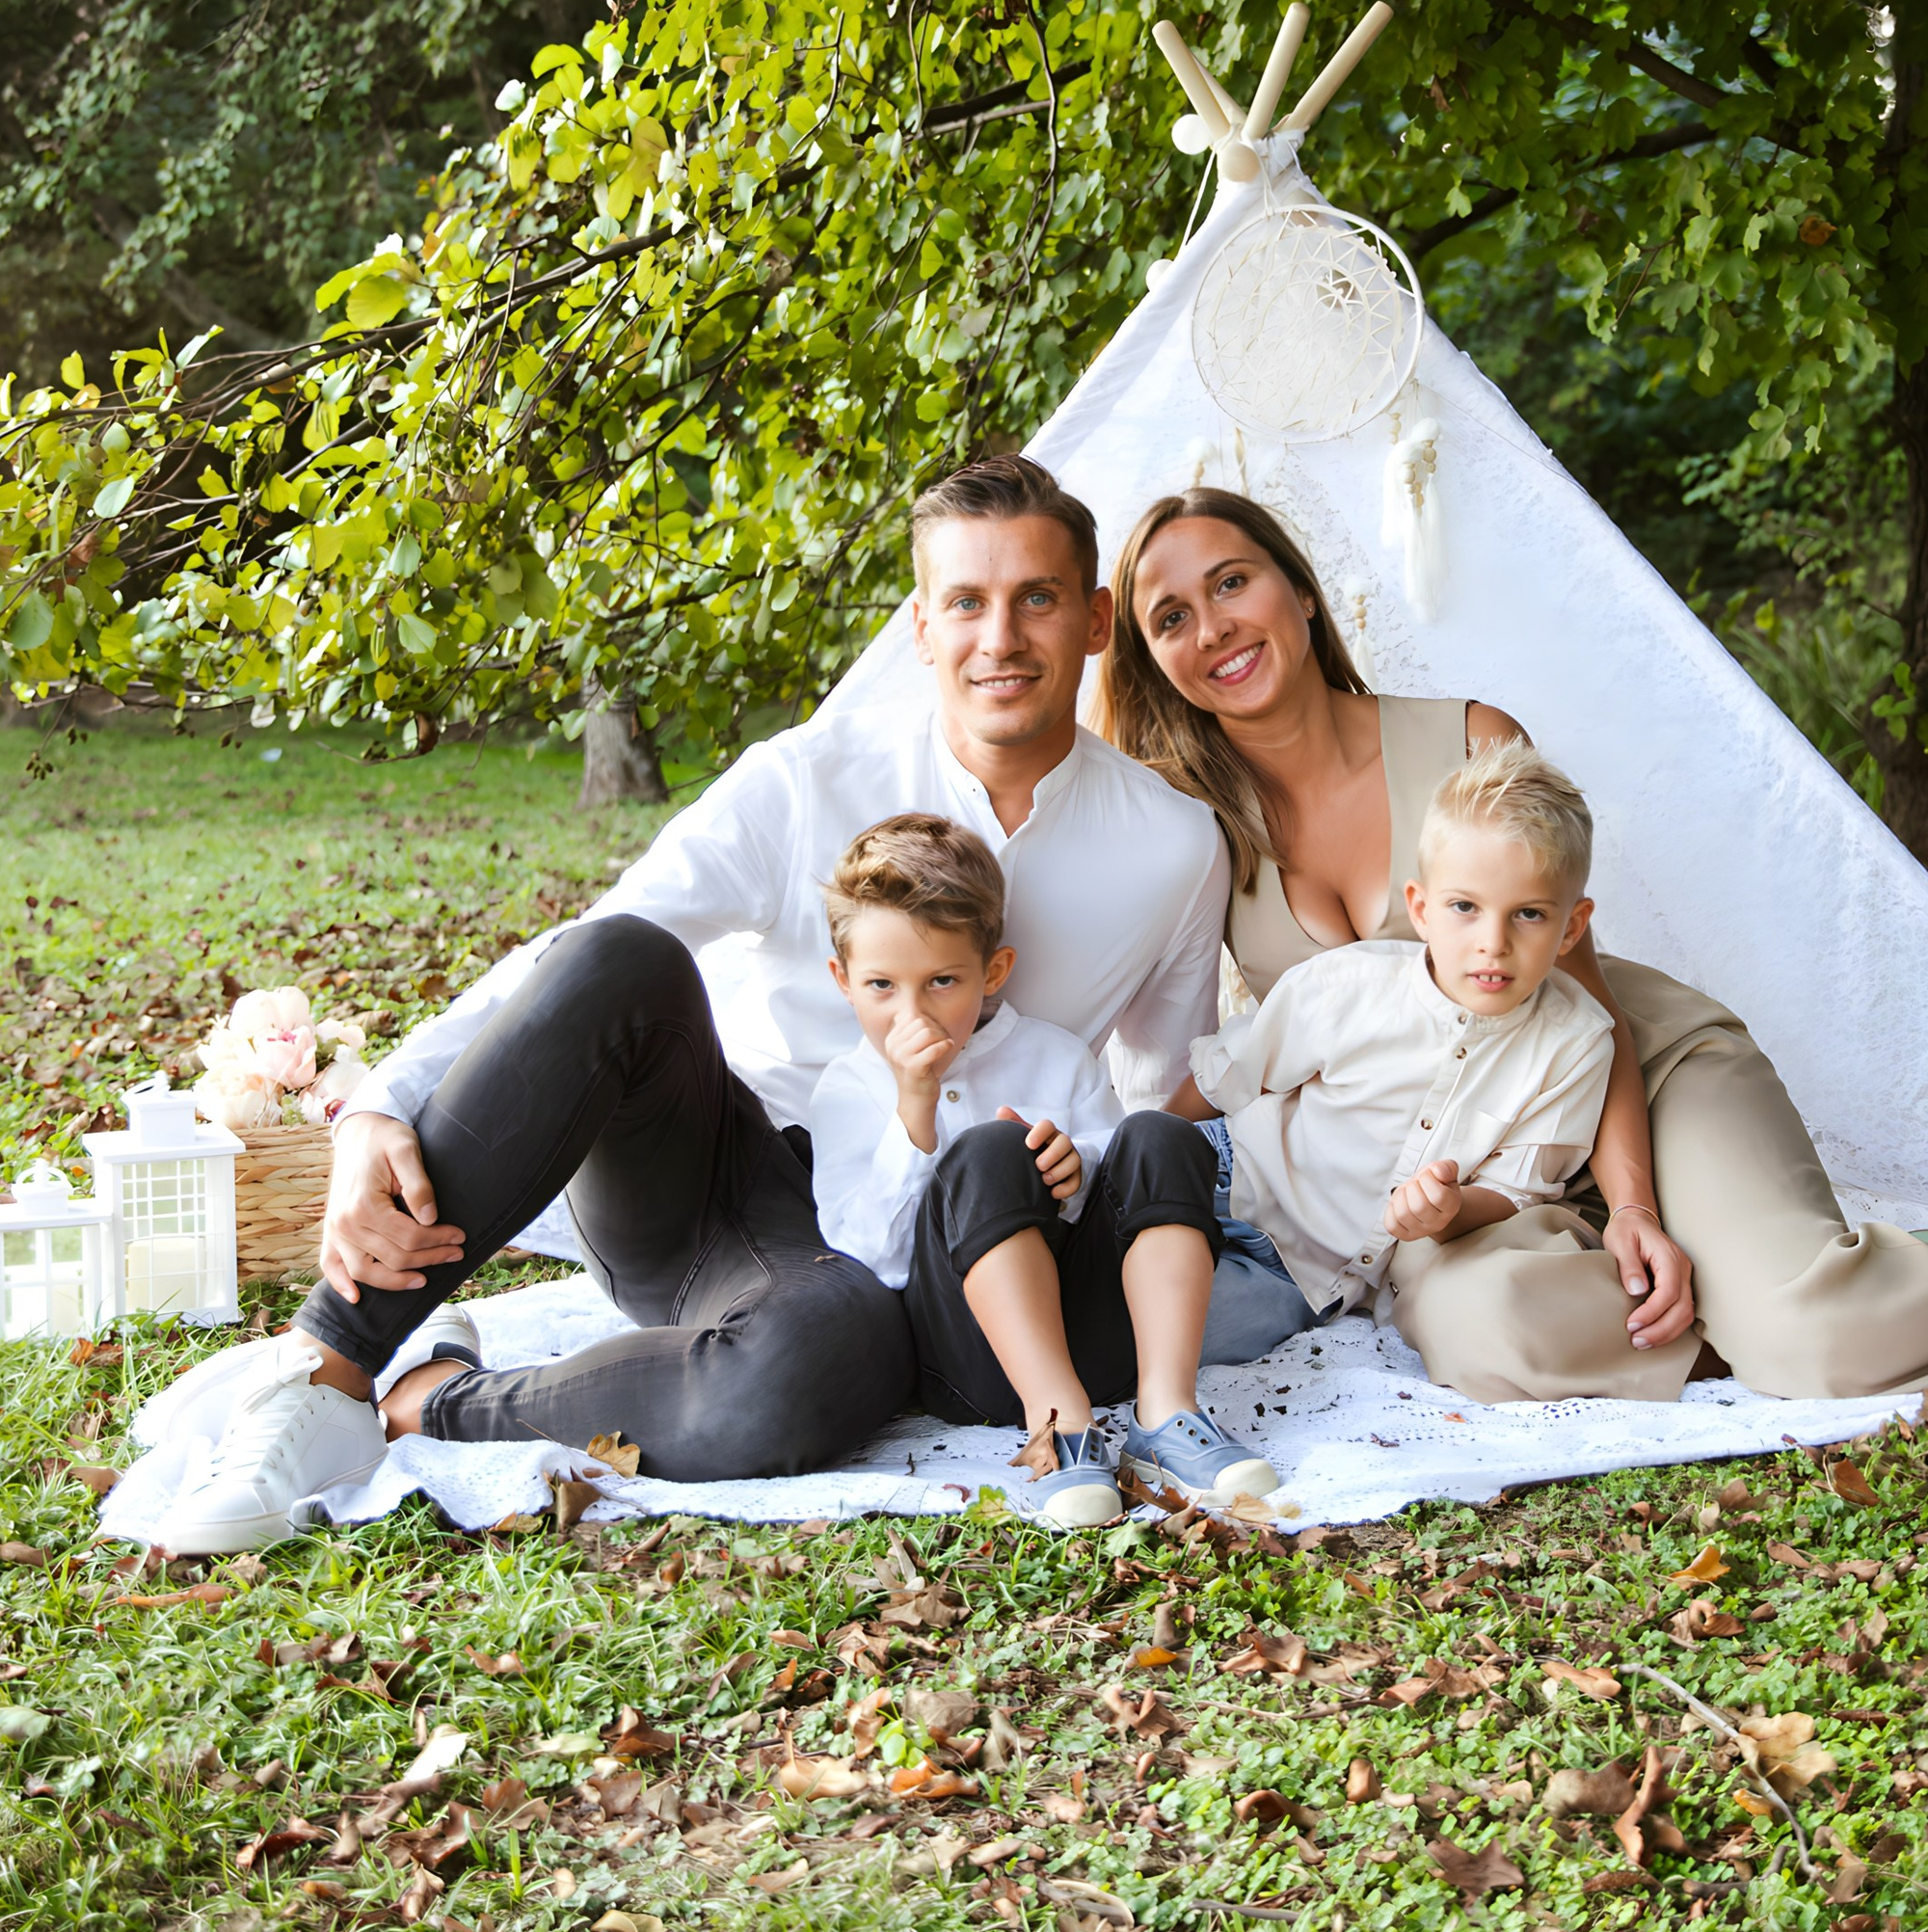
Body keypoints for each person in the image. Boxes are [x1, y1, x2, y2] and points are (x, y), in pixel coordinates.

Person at [153, 454, 1274, 1553]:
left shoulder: (1170, 844)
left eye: (1034, 600)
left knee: (819, 1365)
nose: (1000, 639)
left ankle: (445, 1394)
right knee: (625, 955)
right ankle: (324, 1375)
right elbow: (579, 953)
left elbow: (1158, 1095)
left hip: (942, 1243)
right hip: (722, 1183)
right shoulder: (805, 776)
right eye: (966, 602)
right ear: (921, 626)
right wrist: (377, 1101)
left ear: (1090, 620)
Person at [1095, 490, 1928, 1401]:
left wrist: (1629, 1203)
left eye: (1234, 582)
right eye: (1170, 617)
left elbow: (1581, 993)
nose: (1213, 627)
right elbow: (1203, 1052)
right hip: (1467, 1170)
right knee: (1483, 1338)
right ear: (1154, 659)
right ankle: (1776, 1294)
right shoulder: (1197, 833)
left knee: (1815, 1338)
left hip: (1631, 1066)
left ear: (1299, 591)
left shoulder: (1467, 737)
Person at [810, 815, 1275, 1523]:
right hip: (968, 1361)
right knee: (990, 1151)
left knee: (1160, 1134)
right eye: (881, 986)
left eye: (942, 981)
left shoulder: (1056, 1057)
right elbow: (871, 1260)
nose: (913, 1013)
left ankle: (1166, 1415)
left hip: (1103, 1341)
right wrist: (915, 1108)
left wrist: (1079, 1167)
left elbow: (1130, 1188)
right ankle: (1059, 1427)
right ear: (843, 981)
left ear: (993, 971)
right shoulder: (849, 1087)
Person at [1184, 742, 1648, 1396]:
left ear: (1572, 929)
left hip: (1303, 1276)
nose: (1493, 941)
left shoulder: (1575, 1047)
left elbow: (1517, 1191)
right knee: (1093, 1200)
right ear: (1422, 908)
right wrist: (1134, 1148)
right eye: (1465, 907)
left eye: (1529, 914)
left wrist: (1448, 1211)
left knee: (1176, 1334)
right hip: (1225, 1172)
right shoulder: (1349, 985)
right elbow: (1223, 1079)